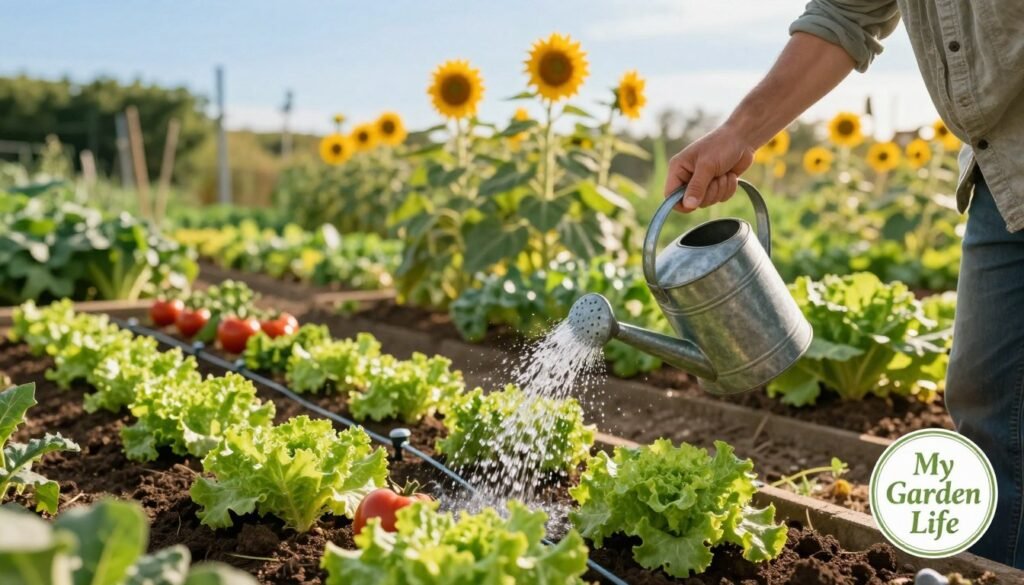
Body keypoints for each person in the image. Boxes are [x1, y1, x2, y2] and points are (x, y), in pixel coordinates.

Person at [663, 1, 1024, 568]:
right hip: (1005, 169)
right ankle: (995, 571)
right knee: (990, 402)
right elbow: (845, 15)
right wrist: (737, 132)